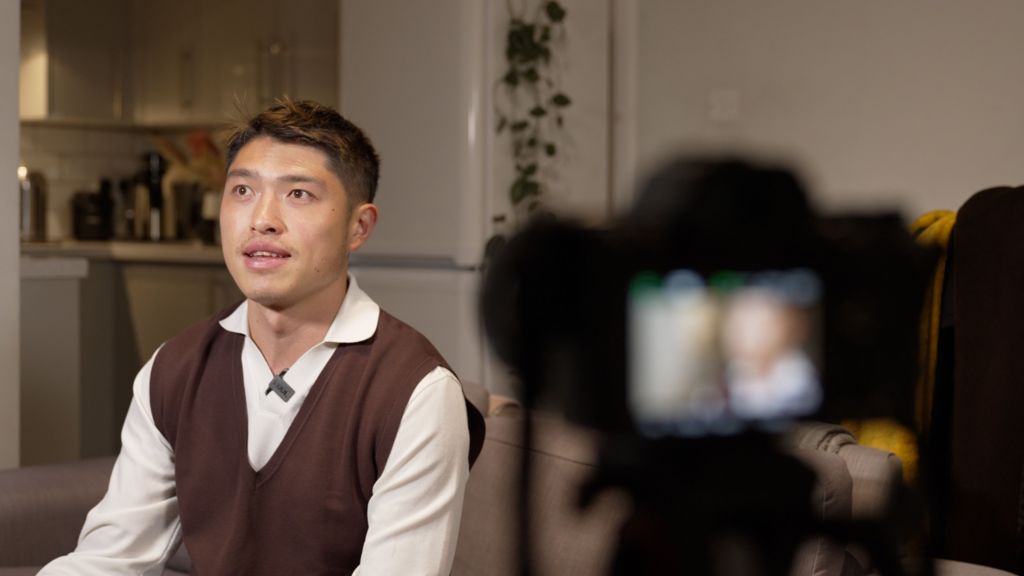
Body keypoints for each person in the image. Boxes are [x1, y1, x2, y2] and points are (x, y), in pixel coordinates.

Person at [40, 99, 485, 575]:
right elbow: (109, 559)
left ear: (359, 227)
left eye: (298, 195)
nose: (263, 219)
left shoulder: (416, 392)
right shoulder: (175, 368)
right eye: (243, 190)